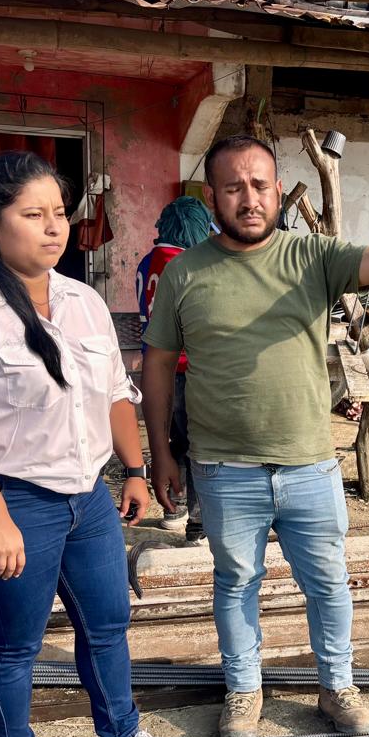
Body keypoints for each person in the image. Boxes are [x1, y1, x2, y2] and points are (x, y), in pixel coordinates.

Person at [141, 135, 369, 737]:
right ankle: (244, 691)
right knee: (235, 583)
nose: (249, 199)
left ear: (277, 190)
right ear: (212, 197)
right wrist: (160, 453)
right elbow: (157, 364)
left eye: (260, 185)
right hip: (224, 468)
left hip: (308, 463)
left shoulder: (311, 256)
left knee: (328, 584)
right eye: (233, 188)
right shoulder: (183, 274)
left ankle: (337, 687)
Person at [0, 151, 199, 737]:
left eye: (60, 214)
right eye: (32, 214)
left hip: (85, 496)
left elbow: (115, 391)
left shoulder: (82, 300)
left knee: (108, 622)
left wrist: (133, 470)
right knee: (16, 641)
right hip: (6, 497)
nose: (53, 228)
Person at [136, 196, 213, 542]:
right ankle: (198, 522)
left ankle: (173, 509)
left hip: (157, 371)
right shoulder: (190, 264)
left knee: (173, 442)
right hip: (188, 367)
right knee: (198, 444)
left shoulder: (146, 263)